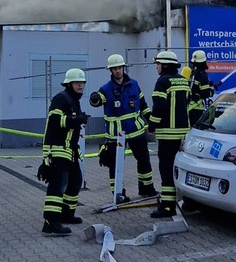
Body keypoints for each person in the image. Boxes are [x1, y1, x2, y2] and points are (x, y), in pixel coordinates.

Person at [89, 54, 157, 203]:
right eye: (114, 68)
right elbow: (97, 100)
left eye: (119, 67)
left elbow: (143, 106)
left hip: (136, 132)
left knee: (144, 160)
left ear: (123, 68)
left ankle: (147, 188)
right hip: (115, 136)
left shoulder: (134, 84)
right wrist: (94, 98)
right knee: (115, 165)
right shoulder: (106, 89)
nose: (118, 71)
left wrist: (152, 123)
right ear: (111, 70)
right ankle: (118, 194)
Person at [39, 68, 89, 236]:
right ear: (69, 84)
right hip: (58, 148)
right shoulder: (61, 99)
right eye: (77, 82)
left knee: (75, 181)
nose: (80, 85)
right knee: (58, 184)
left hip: (70, 149)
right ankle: (50, 222)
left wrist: (77, 118)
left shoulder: (74, 100)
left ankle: (67, 215)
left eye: (82, 82)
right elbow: (54, 121)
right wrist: (75, 120)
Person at [146, 49, 191, 218]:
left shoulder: (162, 82)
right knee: (180, 168)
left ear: (164, 65)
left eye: (157, 64)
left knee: (166, 170)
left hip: (167, 134)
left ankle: (167, 206)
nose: (156, 67)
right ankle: (186, 201)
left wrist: (151, 126)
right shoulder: (183, 81)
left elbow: (159, 107)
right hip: (183, 134)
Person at [186, 49, 216, 126]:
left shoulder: (191, 73)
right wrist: (212, 90)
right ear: (204, 62)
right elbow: (205, 94)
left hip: (188, 107)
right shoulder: (202, 75)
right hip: (197, 108)